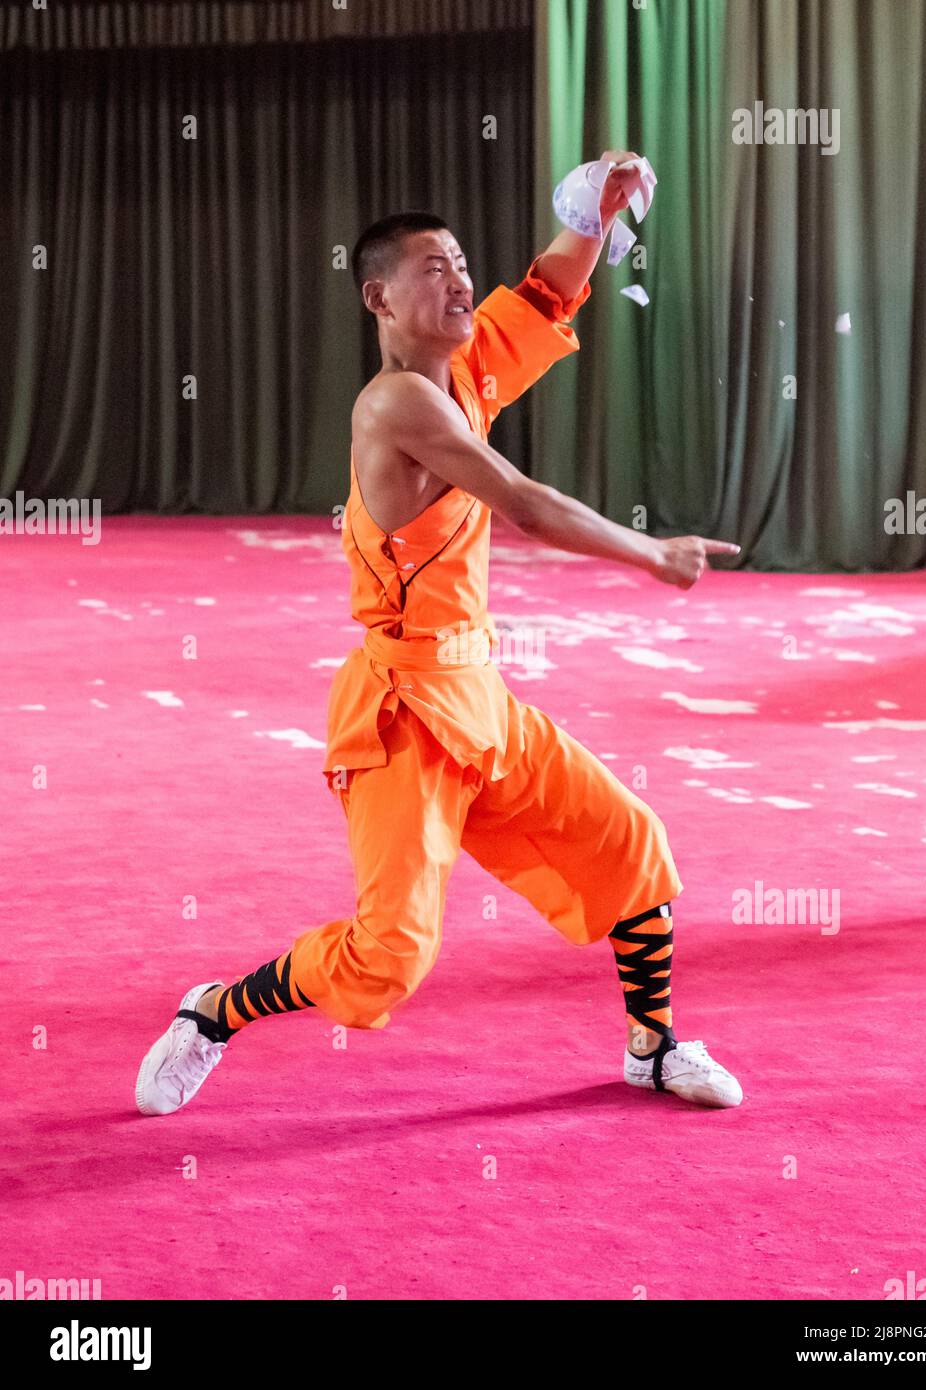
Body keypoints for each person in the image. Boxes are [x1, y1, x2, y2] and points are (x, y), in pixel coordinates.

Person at [136, 150, 743, 1117]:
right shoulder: (399, 401)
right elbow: (526, 504)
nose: (461, 280)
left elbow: (545, 296)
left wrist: (593, 210)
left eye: (462, 263)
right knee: (388, 958)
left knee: (633, 847)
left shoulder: (465, 377)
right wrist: (650, 553)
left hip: (480, 699)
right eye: (436, 268)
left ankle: (653, 1047)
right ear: (378, 297)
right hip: (403, 713)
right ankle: (211, 1012)